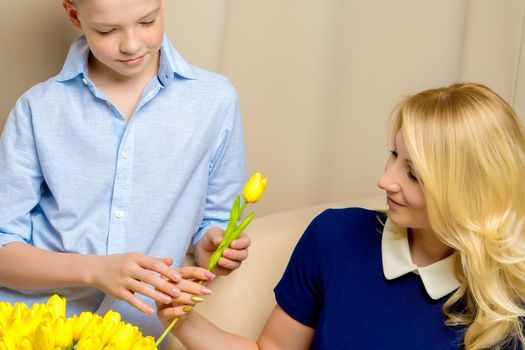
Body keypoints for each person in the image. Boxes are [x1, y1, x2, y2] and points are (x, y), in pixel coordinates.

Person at [158, 83, 525, 349]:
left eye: (413, 174)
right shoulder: (336, 236)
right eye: (393, 155)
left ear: (468, 194)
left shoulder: (508, 305)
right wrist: (181, 320)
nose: (385, 180)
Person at [0, 0, 250, 341]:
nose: (132, 44)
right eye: (107, 30)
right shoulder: (38, 109)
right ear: (74, 15)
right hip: (28, 329)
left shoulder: (215, 100)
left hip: (136, 335)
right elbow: (3, 247)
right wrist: (93, 270)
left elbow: (217, 222)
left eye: (147, 22)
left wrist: (212, 247)